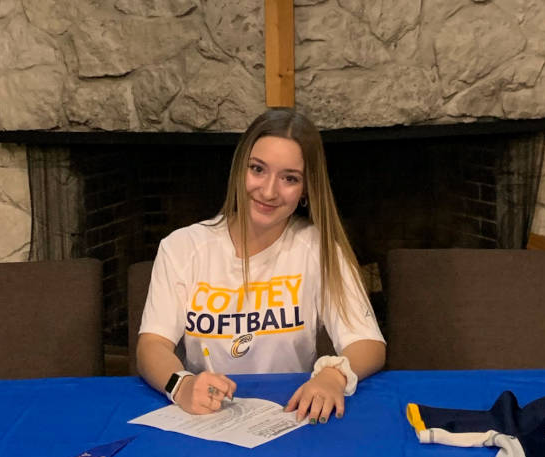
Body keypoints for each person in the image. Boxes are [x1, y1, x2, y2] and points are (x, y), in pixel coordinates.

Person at [137, 107, 386, 423]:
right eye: (258, 169)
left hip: (290, 414)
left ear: (307, 188)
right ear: (240, 169)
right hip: (206, 418)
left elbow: (368, 343)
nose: (269, 191)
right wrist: (182, 385)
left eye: (289, 178)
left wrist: (332, 376)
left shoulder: (319, 249)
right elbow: (152, 345)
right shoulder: (181, 247)